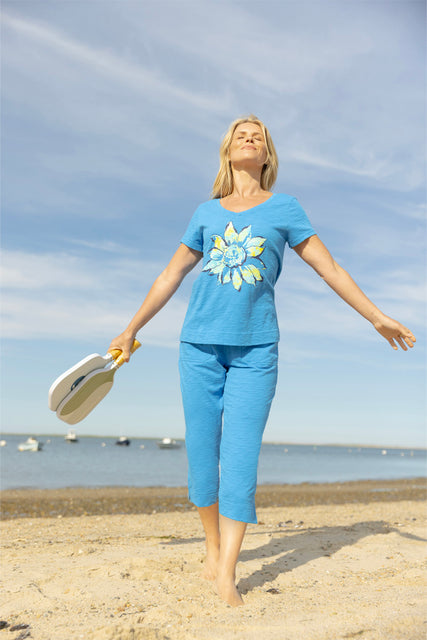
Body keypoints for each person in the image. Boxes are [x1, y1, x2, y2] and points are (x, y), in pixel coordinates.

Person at [108, 115, 416, 607]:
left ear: (267, 155)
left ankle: (227, 570)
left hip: (256, 349)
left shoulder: (286, 208)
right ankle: (211, 546)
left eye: (259, 136)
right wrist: (131, 327)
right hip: (199, 346)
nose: (249, 139)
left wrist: (375, 317)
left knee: (241, 457)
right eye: (240, 134)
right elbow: (171, 274)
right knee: (203, 453)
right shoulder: (206, 213)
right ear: (228, 150)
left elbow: (328, 267)